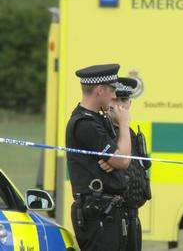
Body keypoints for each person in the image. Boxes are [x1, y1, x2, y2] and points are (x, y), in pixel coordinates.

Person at [66, 64, 131, 251]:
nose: (113, 96)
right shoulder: (85, 123)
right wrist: (124, 123)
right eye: (111, 90)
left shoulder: (98, 120)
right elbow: (123, 160)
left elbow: (119, 158)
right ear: (100, 90)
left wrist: (116, 160)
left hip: (106, 211)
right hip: (97, 212)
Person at [100, 77, 151, 251]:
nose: (121, 105)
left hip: (132, 214)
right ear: (108, 100)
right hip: (112, 216)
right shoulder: (102, 130)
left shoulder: (130, 133)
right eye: (116, 99)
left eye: (124, 100)